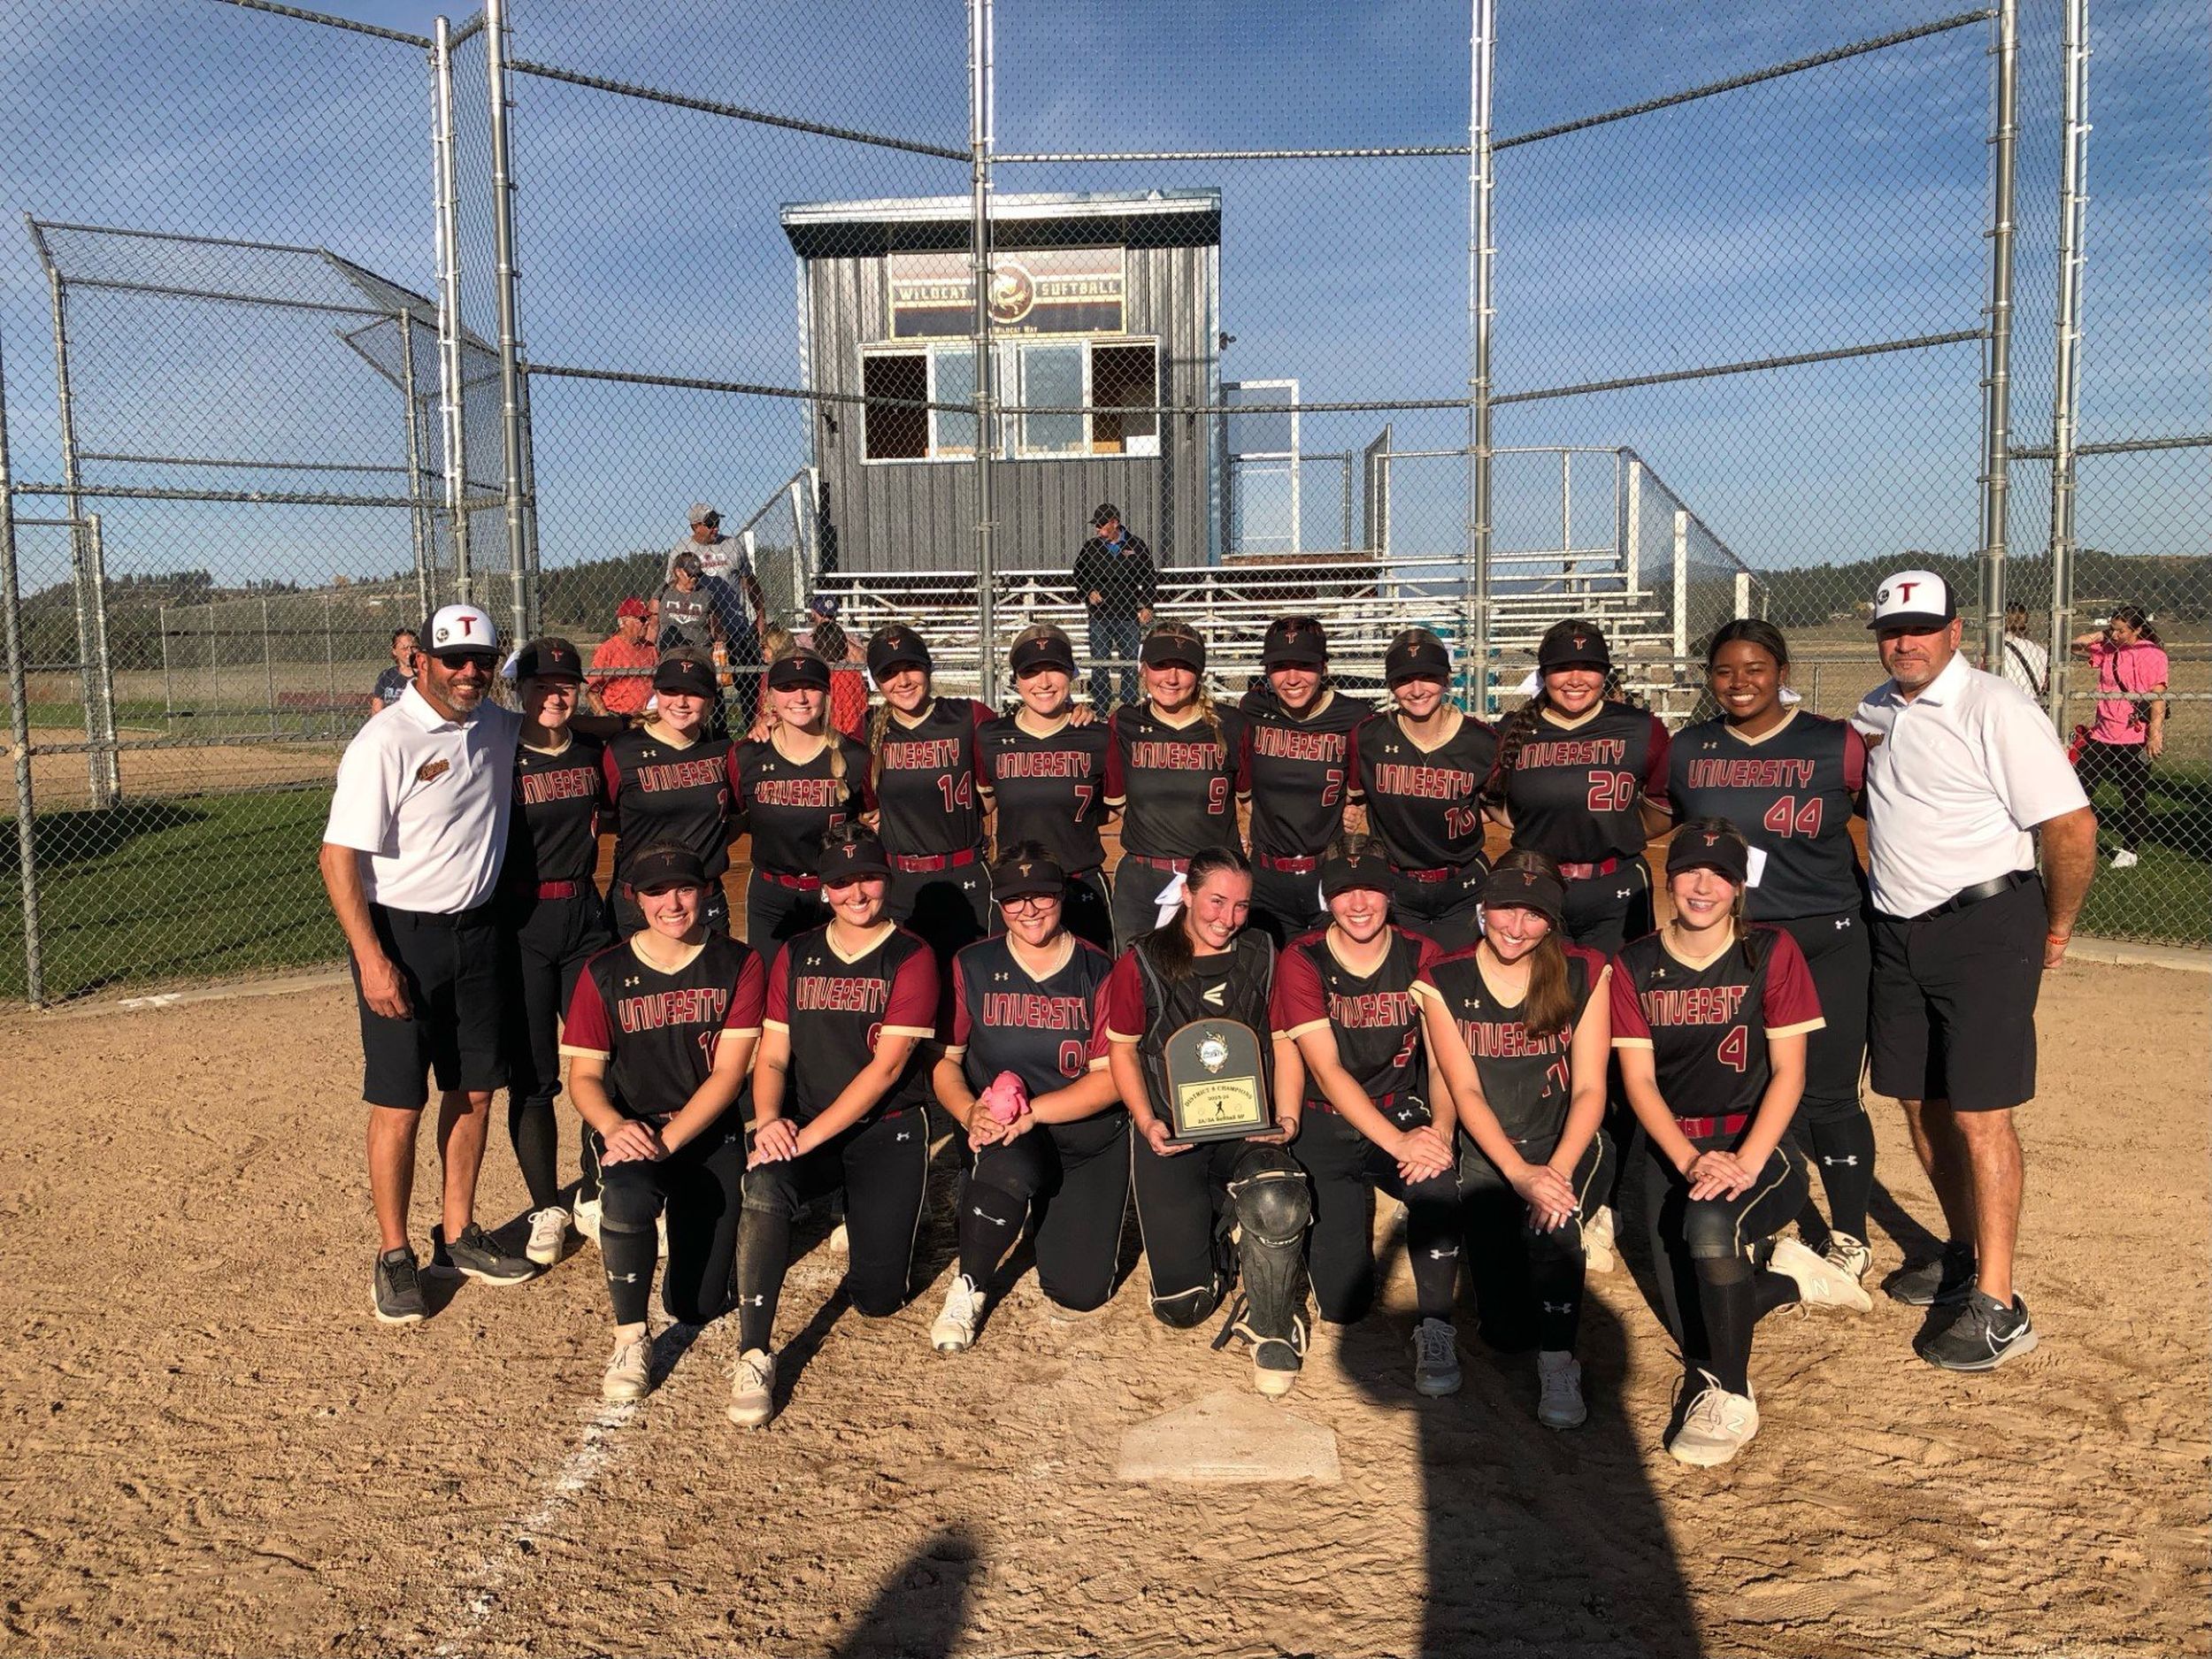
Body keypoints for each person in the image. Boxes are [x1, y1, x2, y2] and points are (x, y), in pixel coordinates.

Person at [1855, 569, 2096, 1371]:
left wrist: (2055, 926)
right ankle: (1960, 1251)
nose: (1906, 642)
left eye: (1923, 627)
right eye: (1893, 630)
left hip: (1987, 923)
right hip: (1898, 931)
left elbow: (2069, 826)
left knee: (1980, 1114)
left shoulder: (1995, 705)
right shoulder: (1877, 709)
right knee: (1920, 1101)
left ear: (1956, 631)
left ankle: (1999, 1302)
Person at [1612, 822, 1864, 1467]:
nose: (1703, 885)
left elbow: (1790, 1074)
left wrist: (1744, 1163)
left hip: (1759, 1147)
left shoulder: (1771, 951)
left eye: (1720, 874)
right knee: (1695, 1324)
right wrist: (1691, 1159)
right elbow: (1639, 1080)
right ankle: (1788, 1278)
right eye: (1691, 870)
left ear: (1739, 885)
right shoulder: (1634, 963)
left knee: (1711, 1226)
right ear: (1670, 878)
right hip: (1676, 1149)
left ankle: (1731, 1397)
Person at [320, 602, 537, 1325]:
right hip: (401, 937)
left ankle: (457, 1234)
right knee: (399, 1101)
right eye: (455, 659)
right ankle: (393, 1253)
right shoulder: (386, 740)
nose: (470, 672)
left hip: (477, 930)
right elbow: (337, 858)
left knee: (475, 1089)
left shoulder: (497, 725)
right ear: (422, 661)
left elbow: (569, 727)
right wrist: (372, 960)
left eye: (484, 659)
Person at [1668, 619, 1877, 1299]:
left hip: (1826, 934)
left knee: (1829, 1093)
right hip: (1742, 942)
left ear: (1781, 668)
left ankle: (1850, 1238)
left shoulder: (1833, 742)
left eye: (1755, 668)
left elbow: (1888, 815)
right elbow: (1652, 814)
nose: (1740, 682)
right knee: (1748, 1089)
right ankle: (1760, 1215)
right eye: (1725, 670)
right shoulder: (1689, 748)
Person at [730, 828, 941, 1428]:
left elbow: (886, 1070)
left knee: (878, 1299)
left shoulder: (912, 954)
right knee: (766, 1181)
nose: (857, 891)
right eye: (842, 881)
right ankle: (753, 1352)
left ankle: (867, 1208)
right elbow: (771, 1056)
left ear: (888, 880)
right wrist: (770, 1123)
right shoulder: (795, 954)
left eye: (869, 877)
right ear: (824, 890)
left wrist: (803, 1136)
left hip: (885, 1129)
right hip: (806, 1122)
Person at [557, 843, 765, 1402]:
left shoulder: (739, 963)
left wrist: (667, 1143)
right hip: (634, 1126)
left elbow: (728, 1076)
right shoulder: (605, 971)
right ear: (634, 898)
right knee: (626, 1195)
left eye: (685, 889)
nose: (672, 903)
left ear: (707, 892)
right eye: (655, 892)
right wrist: (611, 1126)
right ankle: (629, 1337)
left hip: (702, 1130)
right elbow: (583, 1080)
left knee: (695, 1305)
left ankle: (676, 1222)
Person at [1103, 846, 1311, 1396]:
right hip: (1173, 1131)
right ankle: (1231, 1241)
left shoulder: (1263, 951)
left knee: (1277, 1198)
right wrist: (1146, 1121)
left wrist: (1286, 1119)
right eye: (1217, 901)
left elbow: (1286, 1042)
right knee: (1183, 1307)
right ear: (1188, 894)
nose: (1228, 917)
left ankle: (1271, 1325)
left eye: (1242, 906)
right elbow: (1122, 1052)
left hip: (1246, 1127)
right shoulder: (1142, 959)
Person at [1417, 852, 1614, 1430]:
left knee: (1550, 1224)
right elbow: (1465, 1091)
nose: (1515, 925)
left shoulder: (1586, 969)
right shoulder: (1442, 979)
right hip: (1491, 1154)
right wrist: (1518, 1173)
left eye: (1533, 914)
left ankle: (1560, 1361)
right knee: (1504, 1333)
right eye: (1505, 907)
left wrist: (1552, 1173)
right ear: (1483, 906)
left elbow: (1591, 1089)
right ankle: (1543, 1268)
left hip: (1566, 1142)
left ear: (1553, 921)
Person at [1271, 835, 1463, 1396]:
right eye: (1343, 892)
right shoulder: (1302, 957)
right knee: (1344, 1305)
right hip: (1328, 1116)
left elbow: (1442, 1059)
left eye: (1371, 890)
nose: (1358, 904)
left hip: (1399, 1107)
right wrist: (1400, 1144)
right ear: (1327, 898)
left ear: (1389, 893)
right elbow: (1328, 1071)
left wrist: (1439, 1130)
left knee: (1438, 1185)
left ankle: (1436, 1326)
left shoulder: (1419, 951)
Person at [928, 846, 1124, 1351]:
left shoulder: (1098, 968)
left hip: (1083, 1134)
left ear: (1061, 896)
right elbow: (946, 1062)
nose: (1029, 909)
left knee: (1079, 1293)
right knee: (1008, 1168)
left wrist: (1035, 1114)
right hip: (1007, 1130)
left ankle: (1041, 1212)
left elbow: (1110, 1080)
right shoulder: (972, 963)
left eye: (1040, 895)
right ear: (998, 903)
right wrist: (970, 1110)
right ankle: (969, 1283)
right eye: (1014, 899)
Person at [498, 636, 614, 1269]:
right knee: (535, 1070)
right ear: (521, 690)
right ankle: (547, 1203)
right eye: (540, 684)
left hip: (583, 914)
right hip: (521, 919)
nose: (553, 694)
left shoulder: (593, 751)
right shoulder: (500, 752)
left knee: (602, 1054)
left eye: (564, 684)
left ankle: (595, 1184)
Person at [1484, 617, 1671, 954]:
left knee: (1618, 991)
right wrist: (1535, 822)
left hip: (1617, 885)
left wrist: (1618, 829)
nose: (1575, 679)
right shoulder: (1514, 728)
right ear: (1543, 674)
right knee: (1543, 997)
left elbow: (1663, 803)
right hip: (1538, 886)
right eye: (1562, 667)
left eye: (1588, 667)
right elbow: (1495, 798)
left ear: (1605, 672)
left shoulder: (1640, 728)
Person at [1346, 628, 1497, 952]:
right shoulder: (1369, 736)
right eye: (1403, 679)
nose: (1416, 690)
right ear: (1390, 685)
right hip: (1395, 884)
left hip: (1462, 884)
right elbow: (1354, 799)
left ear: (1446, 679)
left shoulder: (1482, 741)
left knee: (1458, 981)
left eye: (1428, 676)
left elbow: (1500, 807)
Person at [1102, 620, 1249, 951]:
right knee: (1139, 984)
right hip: (1142, 878)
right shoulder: (1124, 723)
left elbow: (1253, 800)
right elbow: (1115, 801)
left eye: (1184, 667)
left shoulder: (1232, 725)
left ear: (1199, 673)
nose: (1171, 677)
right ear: (1143, 669)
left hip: (1211, 881)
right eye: (1160, 665)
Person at [862, 624, 996, 964]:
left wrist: (1071, 709)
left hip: (965, 873)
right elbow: (863, 805)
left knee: (971, 984)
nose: (903, 680)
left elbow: (994, 792)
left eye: (911, 667)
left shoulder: (968, 716)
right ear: (877, 681)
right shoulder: (868, 728)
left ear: (928, 667)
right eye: (889, 673)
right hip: (901, 881)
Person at [978, 625, 1116, 950]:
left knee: (1095, 986)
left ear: (1071, 673)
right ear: (1016, 679)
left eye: (1054, 669)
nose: (1043, 682)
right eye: (1031, 672)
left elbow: (1113, 809)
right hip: (1017, 891)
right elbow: (984, 804)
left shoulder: (1098, 737)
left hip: (1079, 882)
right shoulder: (990, 737)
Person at [1240, 616, 1371, 943]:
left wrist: (1358, 808)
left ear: (1324, 667)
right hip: (1267, 875)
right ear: (1267, 671)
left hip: (1329, 870)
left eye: (1305, 665)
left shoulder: (1355, 717)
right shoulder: (1253, 709)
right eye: (1280, 666)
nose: (1293, 678)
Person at [730, 647, 872, 950]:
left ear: (827, 693)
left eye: (811, 686)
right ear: (770, 696)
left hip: (837, 894)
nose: (800, 697)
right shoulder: (748, 755)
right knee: (772, 991)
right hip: (771, 896)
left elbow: (876, 826)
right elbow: (728, 821)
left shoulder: (854, 756)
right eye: (787, 687)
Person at [600, 649, 740, 939]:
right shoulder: (623, 750)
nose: (681, 701)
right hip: (638, 902)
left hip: (703, 900)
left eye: (694, 692)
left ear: (712, 699)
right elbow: (605, 817)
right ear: (658, 693)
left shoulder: (724, 752)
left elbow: (735, 820)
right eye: (672, 690)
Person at [2070, 603, 2169, 869]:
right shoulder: (2109, 648)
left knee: (2133, 794)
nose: (2116, 636)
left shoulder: (2152, 654)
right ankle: (2074, 838)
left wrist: (2154, 733)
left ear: (2137, 629)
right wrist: (2101, 635)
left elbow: (2158, 696)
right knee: (2079, 788)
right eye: (2113, 630)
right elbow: (2074, 646)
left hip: (2133, 735)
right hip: (2103, 733)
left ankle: (2130, 848)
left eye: (2121, 631)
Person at [669, 501, 768, 728]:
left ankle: (755, 730)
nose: (715, 527)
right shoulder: (681, 551)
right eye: (710, 523)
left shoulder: (732, 545)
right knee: (709, 689)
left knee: (750, 683)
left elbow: (749, 582)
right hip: (701, 634)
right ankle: (718, 737)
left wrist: (761, 616)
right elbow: (673, 588)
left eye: (717, 522)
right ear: (695, 526)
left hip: (736, 627)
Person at [1072, 503, 1156, 710]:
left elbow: (1149, 577)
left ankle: (1128, 707)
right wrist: (1088, 591)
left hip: (1128, 614)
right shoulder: (1091, 547)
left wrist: (1147, 605)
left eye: (1101, 524)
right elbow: (1078, 573)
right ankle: (1101, 707)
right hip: (1100, 616)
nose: (1097, 529)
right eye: (1096, 525)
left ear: (1115, 523)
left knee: (1129, 662)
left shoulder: (1136, 545)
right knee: (1100, 661)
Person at [588, 598, 657, 718]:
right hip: (618, 715)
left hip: (646, 716)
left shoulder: (651, 648)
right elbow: (592, 691)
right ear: (623, 623)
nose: (646, 623)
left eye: (647, 619)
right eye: (641, 619)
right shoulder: (608, 649)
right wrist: (605, 717)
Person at [1997, 602, 2050, 702]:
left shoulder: (1996, 651)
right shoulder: (2039, 651)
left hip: (2004, 704)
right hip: (2032, 705)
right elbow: (2046, 683)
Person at [371, 628, 417, 716]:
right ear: (395, 651)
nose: (410, 652)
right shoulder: (386, 677)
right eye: (404, 648)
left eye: (413, 647)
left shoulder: (427, 675)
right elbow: (377, 711)